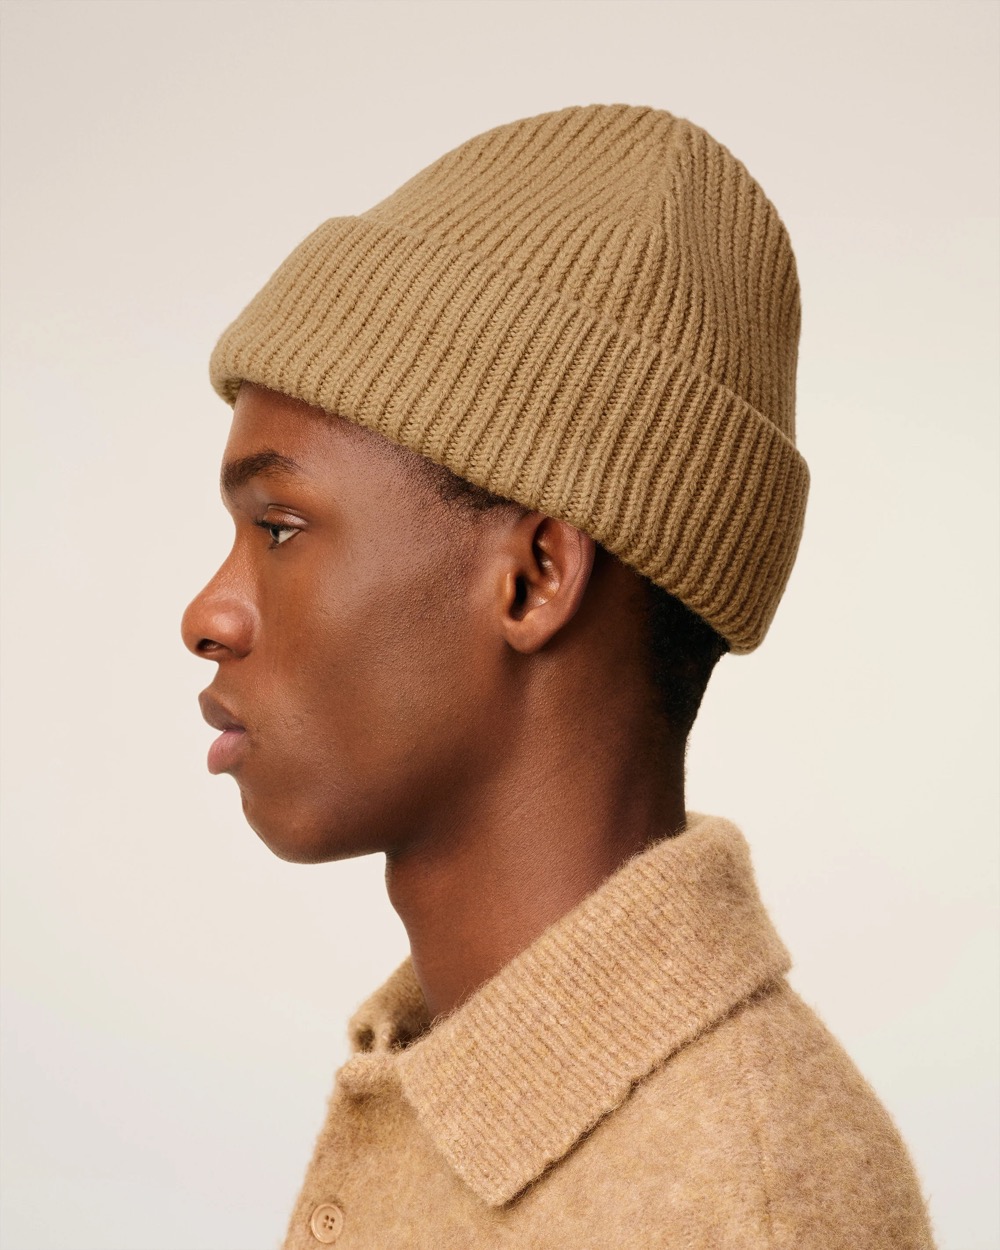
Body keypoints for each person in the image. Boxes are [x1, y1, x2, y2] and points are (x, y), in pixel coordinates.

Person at [181, 103, 937, 1248]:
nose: (208, 614)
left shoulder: (751, 1198)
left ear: (534, 577)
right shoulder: (454, 1070)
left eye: (279, 527)